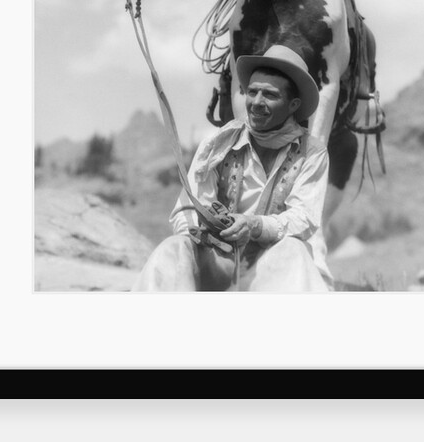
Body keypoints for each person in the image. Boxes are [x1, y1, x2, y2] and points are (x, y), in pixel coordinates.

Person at [132, 45, 333, 292]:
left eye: (269, 95)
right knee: (172, 249)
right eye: (252, 92)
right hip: (217, 263)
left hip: (273, 263)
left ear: (293, 105)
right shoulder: (217, 145)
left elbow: (303, 218)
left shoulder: (312, 153)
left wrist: (254, 225)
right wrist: (206, 230)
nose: (256, 103)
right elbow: (186, 209)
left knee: (295, 250)